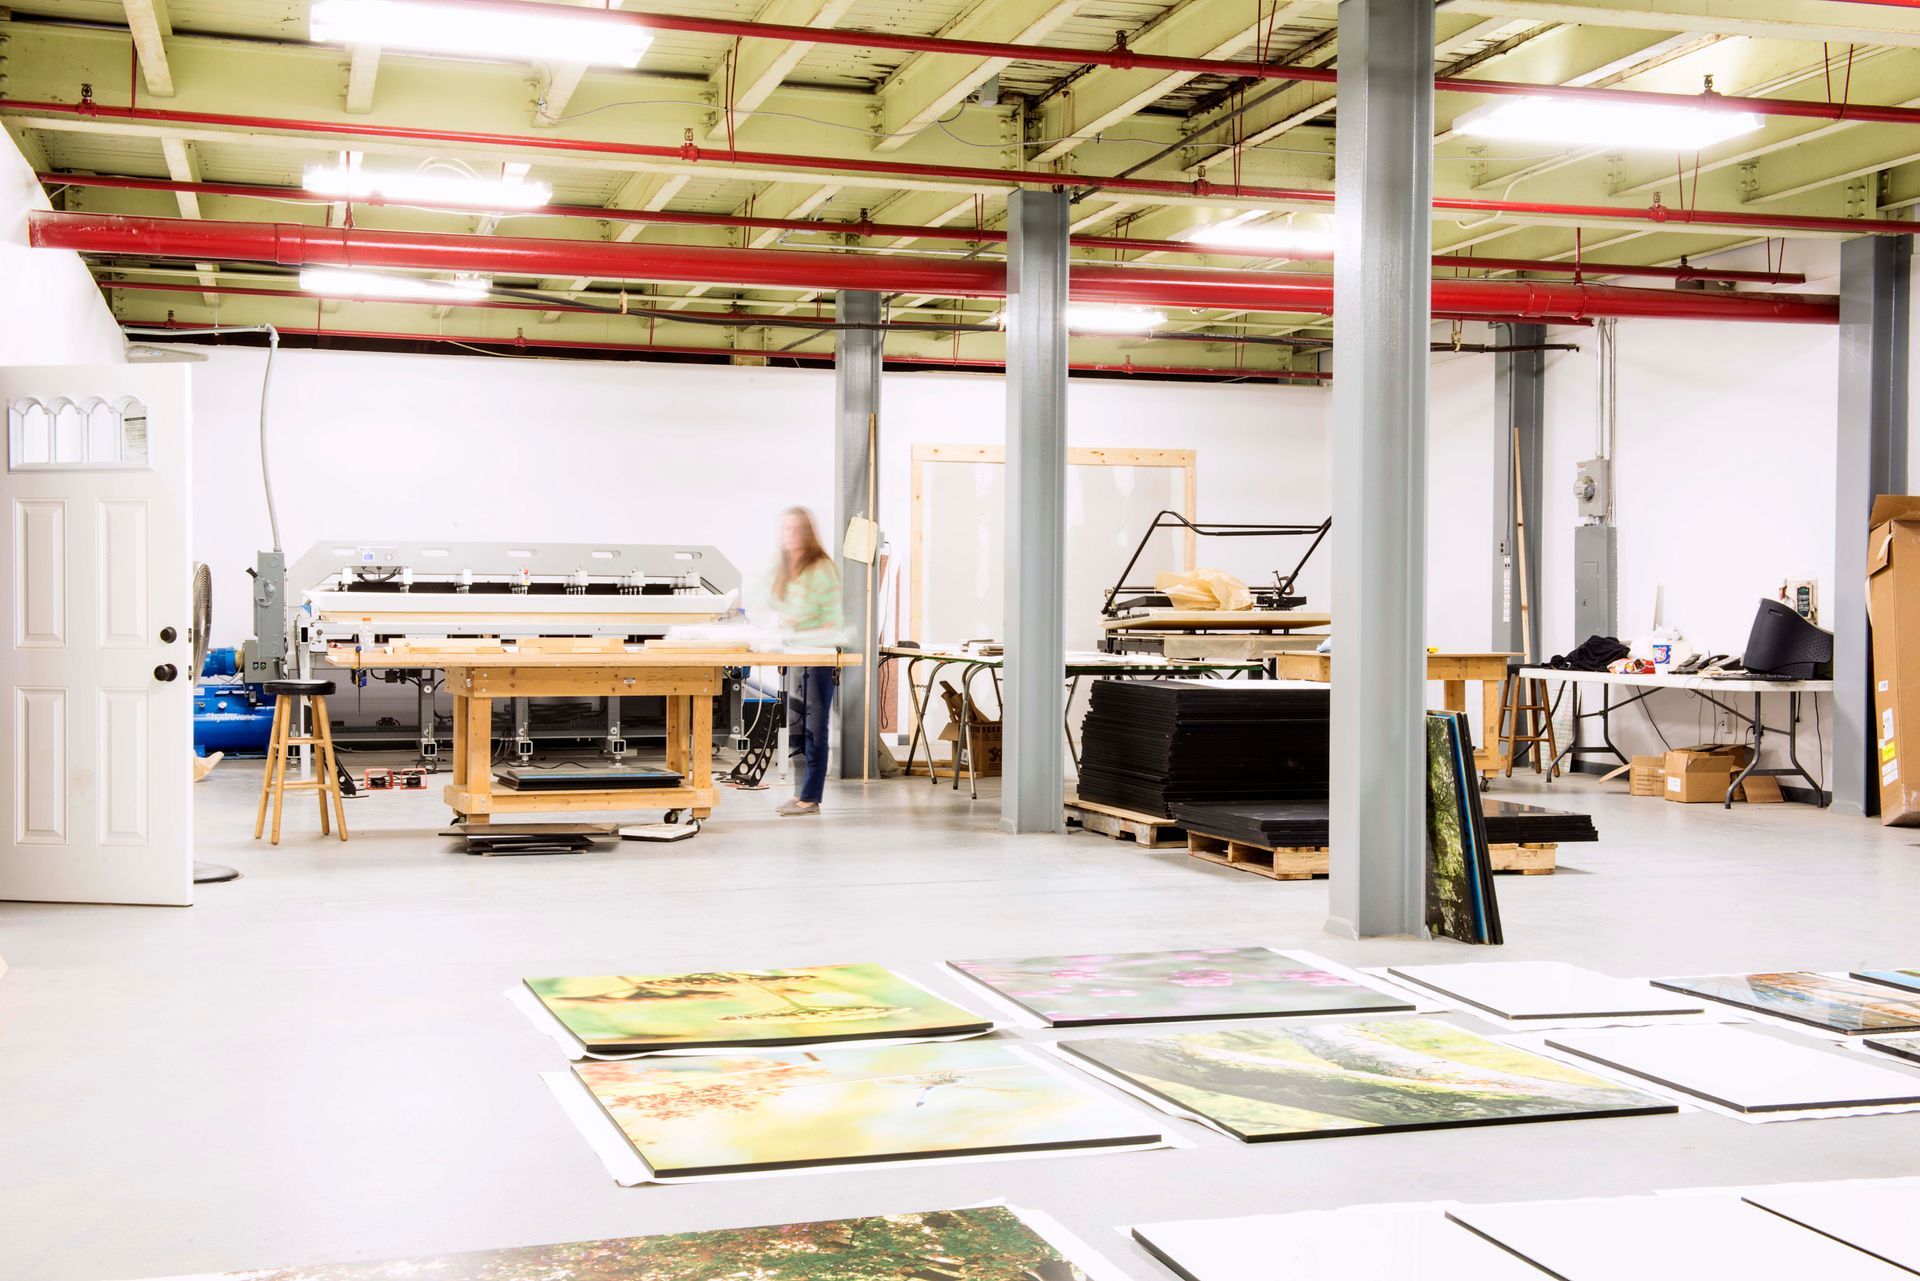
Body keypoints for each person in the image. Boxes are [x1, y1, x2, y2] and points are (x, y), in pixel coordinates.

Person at [769, 507, 842, 816]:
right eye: (786, 530)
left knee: (815, 728)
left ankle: (811, 798)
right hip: (799, 654)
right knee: (799, 727)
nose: (791, 536)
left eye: (797, 530)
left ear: (808, 534)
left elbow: (831, 619)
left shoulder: (821, 567)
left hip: (821, 656)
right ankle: (801, 792)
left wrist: (797, 629)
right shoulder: (789, 569)